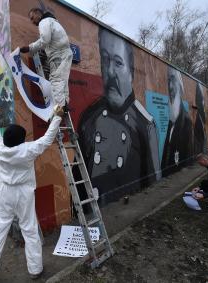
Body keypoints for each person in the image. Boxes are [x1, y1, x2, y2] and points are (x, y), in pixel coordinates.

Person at [77, 28, 160, 204]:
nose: (110, 71)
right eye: (105, 60)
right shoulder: (89, 118)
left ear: (131, 71)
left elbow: (153, 184)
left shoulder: (144, 124)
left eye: (118, 62)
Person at [0, 104, 63, 280]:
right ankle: (35, 270)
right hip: (24, 194)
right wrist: (57, 116)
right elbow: (48, 138)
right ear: (21, 140)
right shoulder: (28, 150)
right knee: (30, 230)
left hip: (4, 193)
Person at [19, 7, 73, 109]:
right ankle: (65, 103)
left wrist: (29, 48)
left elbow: (45, 40)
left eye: (32, 18)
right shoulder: (53, 22)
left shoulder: (43, 22)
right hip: (65, 54)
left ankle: (60, 108)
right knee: (62, 81)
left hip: (58, 55)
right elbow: (49, 40)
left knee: (55, 80)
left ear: (38, 14)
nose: (32, 21)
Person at [161, 67, 193, 174]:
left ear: (180, 86)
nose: (170, 86)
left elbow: (187, 159)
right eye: (169, 81)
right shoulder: (171, 120)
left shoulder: (187, 121)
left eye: (173, 80)